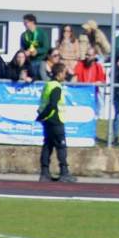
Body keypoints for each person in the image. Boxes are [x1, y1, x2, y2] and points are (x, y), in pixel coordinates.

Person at [37, 54, 73, 182]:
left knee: (48, 145)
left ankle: (44, 172)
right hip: (55, 120)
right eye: (64, 73)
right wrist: (43, 115)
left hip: (47, 121)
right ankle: (64, 172)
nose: (65, 75)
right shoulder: (56, 87)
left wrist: (41, 117)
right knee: (61, 146)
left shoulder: (48, 84)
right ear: (59, 74)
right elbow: (52, 104)